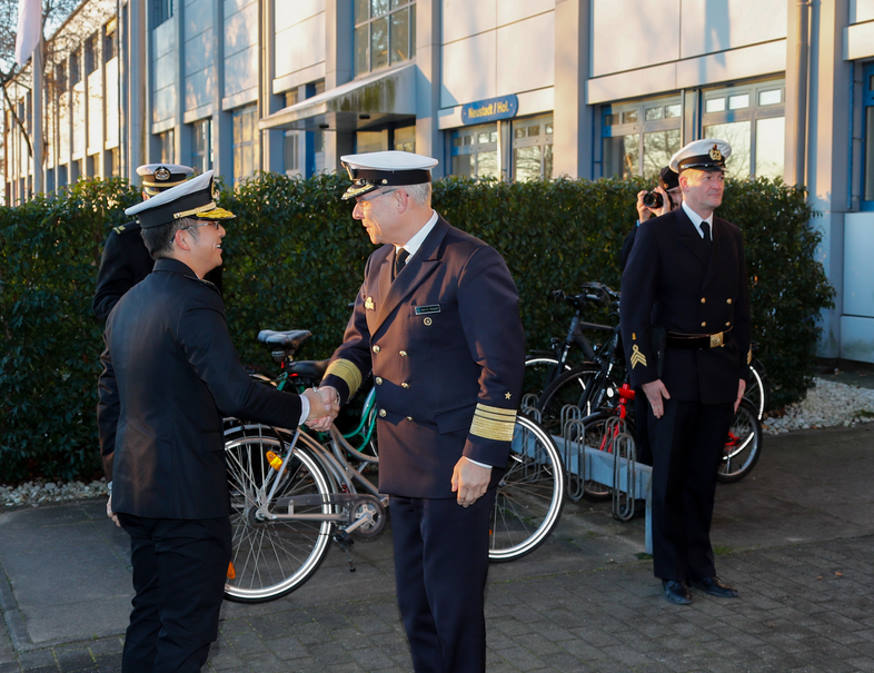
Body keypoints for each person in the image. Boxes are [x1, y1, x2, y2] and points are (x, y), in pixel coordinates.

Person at [96, 169, 333, 673]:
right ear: (183, 237)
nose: (222, 232)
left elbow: (111, 399)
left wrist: (118, 477)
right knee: (187, 632)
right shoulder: (195, 299)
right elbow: (234, 393)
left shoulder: (127, 307)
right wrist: (306, 408)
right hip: (186, 500)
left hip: (139, 493)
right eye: (212, 224)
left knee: (150, 615)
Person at [311, 150, 524, 673]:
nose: (358, 213)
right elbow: (359, 342)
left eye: (364, 202)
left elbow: (502, 369)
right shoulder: (381, 262)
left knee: (453, 609)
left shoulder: (470, 263)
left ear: (401, 198)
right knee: (416, 607)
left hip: (454, 465)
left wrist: (481, 456)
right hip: (401, 460)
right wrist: (335, 389)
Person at [620, 139, 751, 606]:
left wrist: (740, 371)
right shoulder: (656, 234)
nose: (716, 184)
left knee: (702, 478)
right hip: (671, 374)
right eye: (707, 178)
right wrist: (644, 377)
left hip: (717, 372)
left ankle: (702, 568)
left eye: (720, 177)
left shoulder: (731, 236)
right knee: (671, 478)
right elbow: (632, 312)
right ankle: (672, 573)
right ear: (683, 184)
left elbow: (743, 312)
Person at [92, 163, 222, 322]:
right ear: (144, 198)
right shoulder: (125, 240)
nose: (164, 211)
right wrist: (146, 317)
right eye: (158, 203)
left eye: (171, 202)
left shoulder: (203, 236)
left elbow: (213, 292)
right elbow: (104, 302)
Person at [619, 165, 683, 467]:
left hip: (676, 342)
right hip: (650, 340)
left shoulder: (690, 227)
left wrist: (666, 220)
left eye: (675, 194)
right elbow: (627, 264)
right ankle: (648, 493)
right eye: (668, 195)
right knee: (646, 424)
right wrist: (643, 222)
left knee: (671, 430)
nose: (672, 200)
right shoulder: (651, 228)